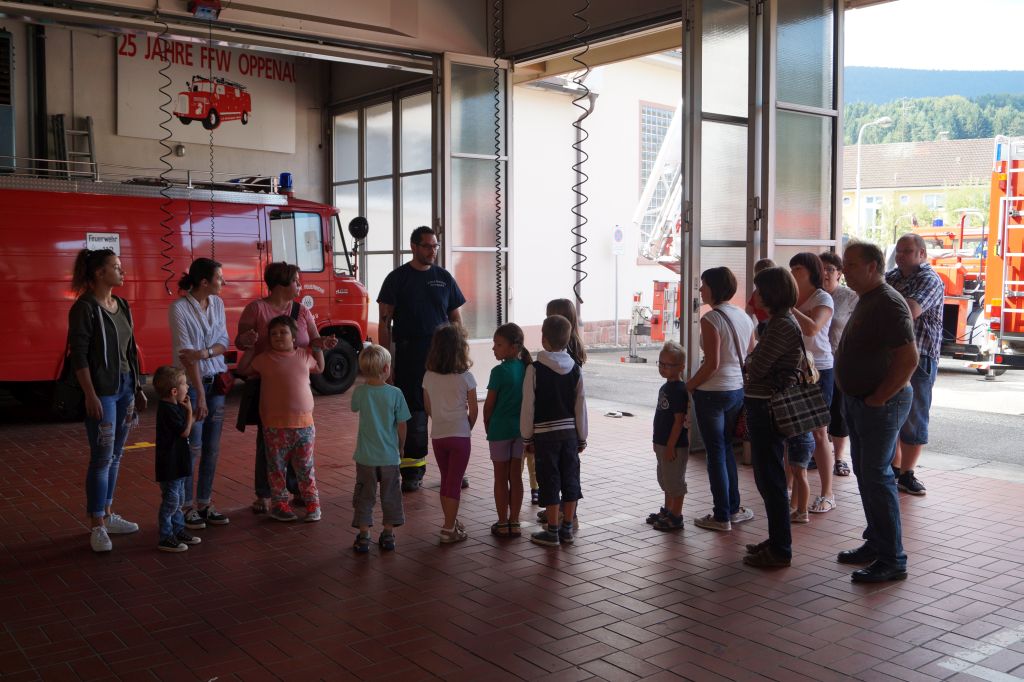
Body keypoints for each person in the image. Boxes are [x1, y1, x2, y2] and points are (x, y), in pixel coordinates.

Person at [835, 242, 917, 583]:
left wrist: (879, 397)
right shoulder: (867, 298)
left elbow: (909, 359)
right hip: (861, 401)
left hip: (880, 404)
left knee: (877, 477)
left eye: (851, 265)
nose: (845, 271)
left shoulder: (887, 302)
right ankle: (876, 542)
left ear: (872, 266)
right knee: (866, 474)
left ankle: (892, 559)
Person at [236, 262, 337, 514]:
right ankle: (265, 494)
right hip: (265, 380)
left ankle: (298, 490)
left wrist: (322, 343)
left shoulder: (302, 311)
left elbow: (313, 341)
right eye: (296, 281)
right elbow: (241, 342)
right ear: (281, 284)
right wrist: (246, 341)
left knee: (297, 442)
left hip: (295, 382)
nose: (300, 286)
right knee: (269, 445)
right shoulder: (256, 309)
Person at [66, 248, 145, 553]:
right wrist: (90, 393)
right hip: (103, 392)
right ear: (100, 273)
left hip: (125, 387)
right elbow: (79, 356)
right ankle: (97, 524)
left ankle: (109, 514)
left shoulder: (122, 304)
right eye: (116, 266)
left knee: (116, 455)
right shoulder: (84, 308)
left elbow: (130, 350)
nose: (122, 271)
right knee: (102, 457)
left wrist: (137, 386)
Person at [377, 226, 467, 492]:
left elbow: (456, 318)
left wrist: (460, 352)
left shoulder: (444, 278)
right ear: (413, 247)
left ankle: (453, 470)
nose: (433, 251)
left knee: (448, 412)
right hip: (410, 356)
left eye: (435, 246)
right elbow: (384, 323)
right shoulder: (397, 279)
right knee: (414, 414)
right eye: (427, 246)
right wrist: (386, 361)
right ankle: (413, 472)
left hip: (444, 357)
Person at [741, 267, 806, 568]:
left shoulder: (781, 325)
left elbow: (756, 367)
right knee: (767, 479)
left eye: (758, 289)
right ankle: (776, 540)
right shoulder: (778, 322)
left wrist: (750, 360)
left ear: (771, 293)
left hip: (767, 408)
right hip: (763, 406)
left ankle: (781, 549)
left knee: (771, 480)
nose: (754, 295)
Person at [685, 267, 756, 532]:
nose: (701, 290)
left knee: (715, 452)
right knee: (725, 449)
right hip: (736, 390)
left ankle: (721, 515)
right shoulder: (744, 316)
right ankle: (733, 509)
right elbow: (751, 353)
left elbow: (712, 364)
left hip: (712, 393)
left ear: (714, 288)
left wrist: (689, 386)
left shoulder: (711, 319)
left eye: (704, 285)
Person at [237, 315, 326, 522]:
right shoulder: (264, 359)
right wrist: (250, 348)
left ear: (294, 337)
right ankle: (280, 505)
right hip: (274, 427)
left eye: (283, 332)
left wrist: (318, 348)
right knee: (276, 468)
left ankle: (313, 504)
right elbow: (242, 370)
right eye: (274, 333)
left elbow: (320, 368)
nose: (278, 336)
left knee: (305, 468)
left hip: (304, 426)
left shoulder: (303, 355)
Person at [169, 258, 231, 529]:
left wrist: (205, 353)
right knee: (192, 447)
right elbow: (186, 355)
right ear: (204, 282)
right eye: (219, 278)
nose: (223, 282)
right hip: (193, 387)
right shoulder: (179, 308)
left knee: (212, 448)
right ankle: (185, 507)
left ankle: (205, 503)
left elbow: (224, 342)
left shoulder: (217, 304)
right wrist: (199, 396)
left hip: (216, 383)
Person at [885, 233, 945, 496]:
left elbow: (909, 311)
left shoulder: (930, 279)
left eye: (907, 251)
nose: (900, 256)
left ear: (922, 253)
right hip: (889, 356)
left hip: (920, 358)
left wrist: (882, 306)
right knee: (891, 414)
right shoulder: (892, 277)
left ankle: (908, 473)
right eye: (898, 251)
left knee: (914, 417)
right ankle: (895, 469)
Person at [522, 315, 588, 547]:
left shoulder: (534, 369)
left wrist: (526, 436)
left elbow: (528, 405)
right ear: (567, 339)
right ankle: (567, 528)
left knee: (549, 480)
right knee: (570, 479)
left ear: (543, 338)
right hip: (569, 435)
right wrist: (582, 437)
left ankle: (552, 531)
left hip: (544, 436)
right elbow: (580, 406)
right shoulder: (576, 370)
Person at [350, 344, 411, 554]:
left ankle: (364, 535)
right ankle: (387, 534)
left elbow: (354, 408)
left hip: (365, 457)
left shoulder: (360, 392)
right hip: (389, 457)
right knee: (390, 494)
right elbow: (402, 424)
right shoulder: (396, 393)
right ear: (386, 369)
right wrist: (401, 446)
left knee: (364, 495)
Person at [787, 253, 835, 515]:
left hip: (819, 370)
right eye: (791, 268)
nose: (793, 272)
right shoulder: (792, 297)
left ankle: (827, 493)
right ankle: (789, 488)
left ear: (812, 272)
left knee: (818, 433)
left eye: (798, 268)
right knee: (792, 431)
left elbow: (812, 328)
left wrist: (790, 308)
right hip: (794, 369)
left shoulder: (822, 297)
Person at [422, 323, 478, 543]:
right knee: (455, 482)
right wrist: (466, 427)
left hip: (438, 435)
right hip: (460, 435)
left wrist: (440, 420)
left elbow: (428, 407)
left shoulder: (428, 376)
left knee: (446, 479)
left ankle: (450, 522)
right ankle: (448, 528)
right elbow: (474, 410)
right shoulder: (466, 377)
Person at [534, 298, 587, 527]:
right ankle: (562, 512)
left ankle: (565, 515)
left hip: (555, 422)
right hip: (570, 426)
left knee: (556, 472)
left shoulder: (562, 353)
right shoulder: (574, 345)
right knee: (568, 470)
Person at [484, 323, 531, 538]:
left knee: (500, 478)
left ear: (513, 347)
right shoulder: (526, 369)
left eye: (498, 344)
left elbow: (489, 405)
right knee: (516, 477)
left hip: (499, 431)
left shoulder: (498, 372)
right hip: (520, 431)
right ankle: (515, 521)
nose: (494, 348)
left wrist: (487, 425)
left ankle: (502, 522)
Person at [152, 366, 202, 552]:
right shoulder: (167, 409)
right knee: (171, 501)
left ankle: (178, 530)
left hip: (178, 463)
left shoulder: (175, 406)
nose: (187, 387)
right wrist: (190, 412)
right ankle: (165, 536)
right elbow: (184, 431)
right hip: (170, 466)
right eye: (184, 384)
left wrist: (193, 414)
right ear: (174, 391)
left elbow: (185, 426)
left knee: (179, 499)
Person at [820, 251, 858, 478]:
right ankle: (818, 453)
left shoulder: (851, 297)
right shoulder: (811, 295)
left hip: (840, 360)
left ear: (839, 274)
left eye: (830, 269)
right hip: (814, 363)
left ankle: (839, 458)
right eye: (821, 268)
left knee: (839, 410)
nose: (825, 273)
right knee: (818, 410)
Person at [648, 341, 689, 531]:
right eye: (661, 363)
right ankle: (668, 509)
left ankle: (676, 516)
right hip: (662, 443)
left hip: (675, 446)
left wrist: (671, 445)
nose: (663, 368)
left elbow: (678, 421)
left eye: (668, 365)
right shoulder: (665, 388)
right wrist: (657, 441)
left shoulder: (679, 390)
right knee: (665, 479)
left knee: (674, 482)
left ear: (681, 367)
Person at [745, 258, 775, 337]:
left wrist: (756, 309)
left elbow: (748, 310)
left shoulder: (756, 292)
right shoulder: (776, 291)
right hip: (773, 323)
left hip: (762, 324)